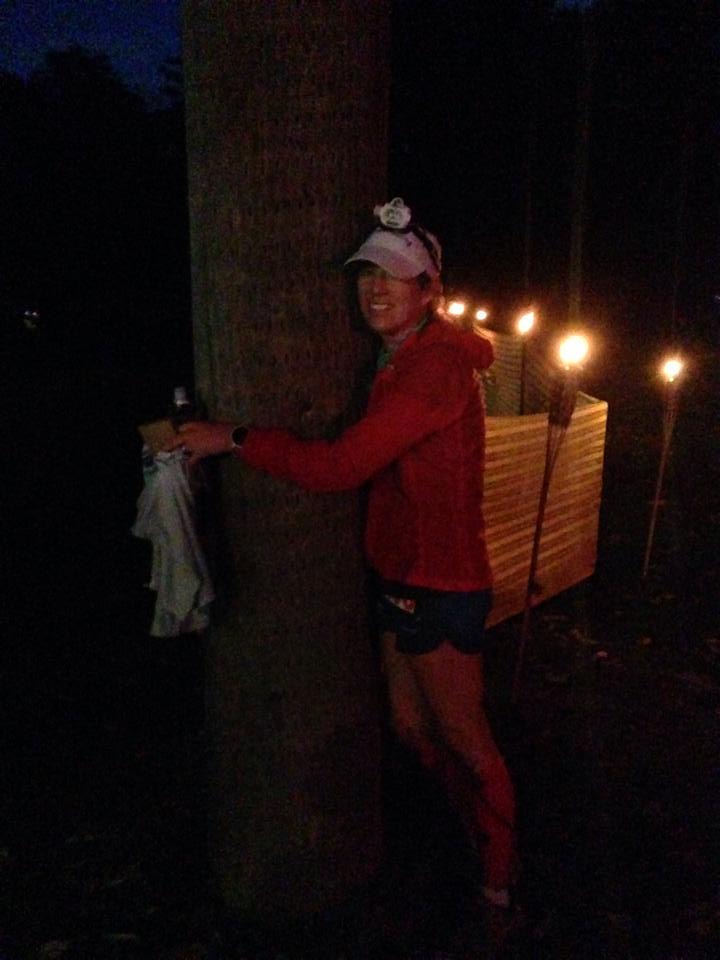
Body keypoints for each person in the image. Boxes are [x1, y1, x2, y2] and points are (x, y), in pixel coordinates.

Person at [168, 197, 518, 915]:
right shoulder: (400, 356)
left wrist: (234, 438)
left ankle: (497, 885)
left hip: (441, 582)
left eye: (394, 274)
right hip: (400, 575)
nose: (374, 288)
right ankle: (465, 831)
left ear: (429, 288)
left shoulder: (434, 369)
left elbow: (340, 467)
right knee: (411, 728)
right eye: (366, 273)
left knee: (466, 736)